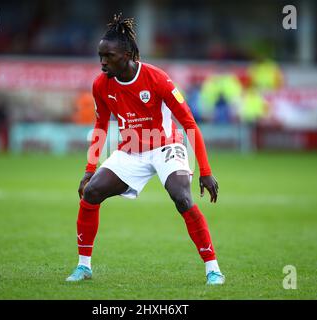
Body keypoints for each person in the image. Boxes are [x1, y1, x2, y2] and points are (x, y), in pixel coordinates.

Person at [66, 14, 224, 285]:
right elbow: (101, 127)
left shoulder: (157, 78)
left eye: (109, 56)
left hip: (166, 146)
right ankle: (83, 267)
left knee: (181, 198)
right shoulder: (101, 85)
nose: (102, 62)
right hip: (131, 151)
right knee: (91, 193)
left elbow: (189, 123)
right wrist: (89, 170)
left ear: (127, 54)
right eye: (100, 56)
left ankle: (213, 269)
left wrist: (206, 171)